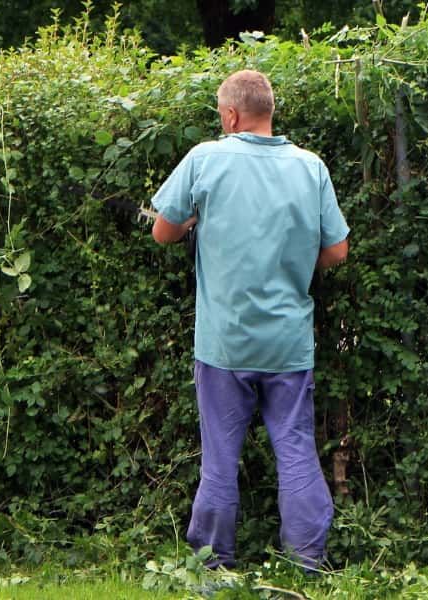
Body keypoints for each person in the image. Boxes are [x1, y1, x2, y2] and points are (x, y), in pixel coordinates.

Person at [150, 69, 349, 570]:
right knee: (296, 451)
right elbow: (337, 250)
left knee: (220, 460)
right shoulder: (310, 167)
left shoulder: (205, 159)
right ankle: (307, 560)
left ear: (231, 115)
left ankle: (212, 565)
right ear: (269, 112)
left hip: (224, 344)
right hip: (288, 343)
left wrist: (194, 223)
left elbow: (163, 232)